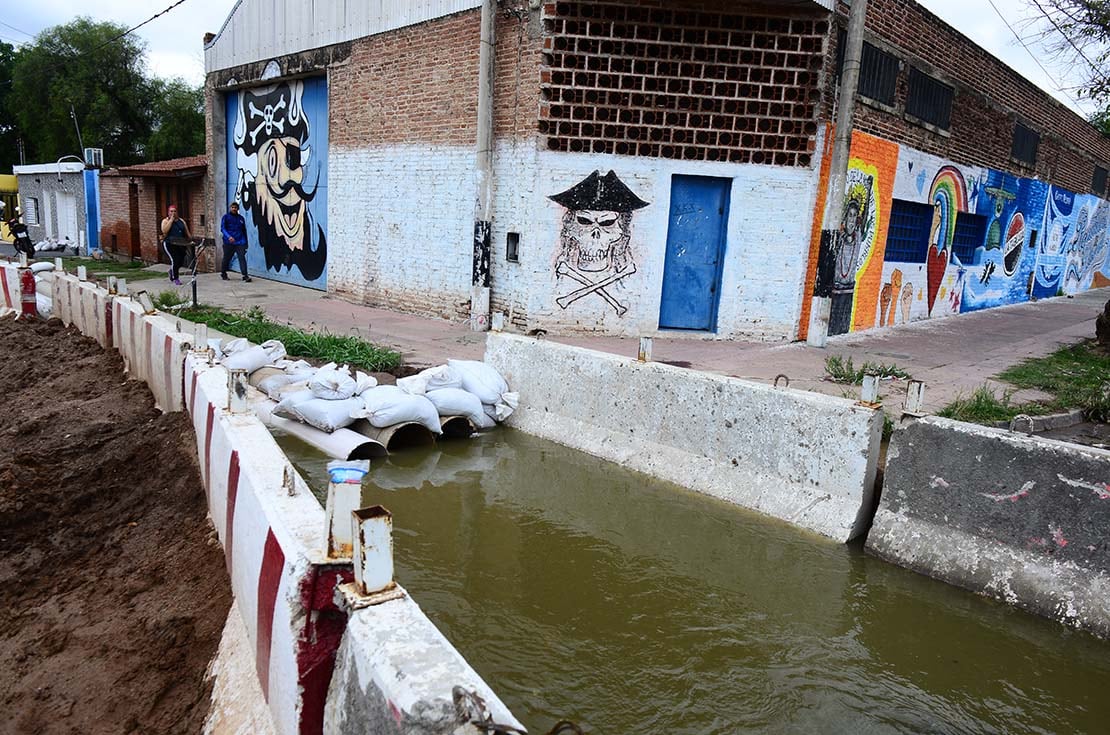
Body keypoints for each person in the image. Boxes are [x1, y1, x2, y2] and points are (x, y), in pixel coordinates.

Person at [219, 201, 252, 282]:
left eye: (235, 208)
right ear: (230, 208)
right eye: (232, 207)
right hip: (228, 242)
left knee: (242, 258)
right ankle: (223, 273)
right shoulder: (226, 217)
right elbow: (223, 228)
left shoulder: (241, 219)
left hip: (240, 242)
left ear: (238, 209)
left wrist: (246, 243)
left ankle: (245, 275)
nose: (234, 209)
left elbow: (244, 231)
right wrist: (228, 236)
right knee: (227, 258)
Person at [160, 204, 191, 286]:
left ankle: (171, 270)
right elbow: (164, 231)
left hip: (180, 244)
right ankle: (175, 278)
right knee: (175, 260)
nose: (173, 213)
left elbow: (187, 232)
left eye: (174, 211)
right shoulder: (165, 221)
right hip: (170, 244)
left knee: (181, 261)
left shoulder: (181, 221)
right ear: (168, 212)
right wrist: (171, 220)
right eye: (171, 211)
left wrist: (190, 240)